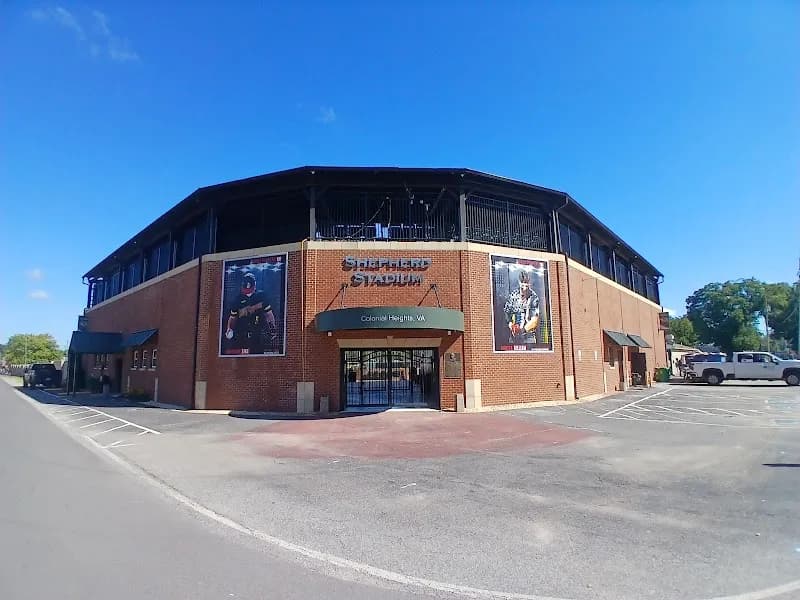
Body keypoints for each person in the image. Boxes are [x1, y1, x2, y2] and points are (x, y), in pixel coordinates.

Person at [225, 272, 278, 354]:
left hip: (257, 334)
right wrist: (229, 329)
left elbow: (269, 314)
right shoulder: (237, 300)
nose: (248, 293)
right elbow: (232, 317)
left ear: (254, 285)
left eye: (250, 290)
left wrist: (272, 328)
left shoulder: (261, 296)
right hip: (241, 335)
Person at [503, 270, 540, 346]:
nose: (525, 289)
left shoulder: (534, 297)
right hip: (514, 336)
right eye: (522, 286)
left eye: (526, 286)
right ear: (519, 283)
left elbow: (535, 319)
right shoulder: (513, 295)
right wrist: (511, 325)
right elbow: (506, 312)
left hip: (529, 336)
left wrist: (522, 331)